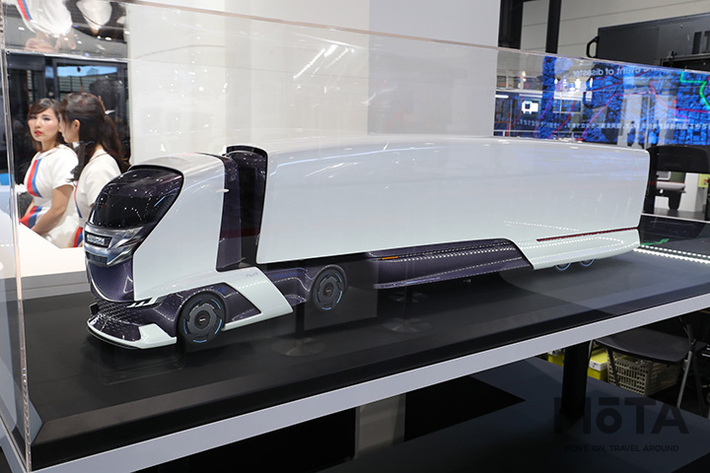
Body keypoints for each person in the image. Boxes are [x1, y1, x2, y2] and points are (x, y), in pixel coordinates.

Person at [58, 92, 129, 245]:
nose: (59, 128)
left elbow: (102, 226)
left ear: (75, 125)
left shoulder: (100, 168)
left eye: (61, 121)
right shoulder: (93, 161)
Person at [20, 98, 79, 248]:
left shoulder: (64, 156)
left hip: (56, 234)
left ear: (60, 125)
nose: (37, 124)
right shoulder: (39, 155)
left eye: (46, 118)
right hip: (38, 229)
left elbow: (59, 208)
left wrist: (32, 234)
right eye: (33, 117)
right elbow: (36, 199)